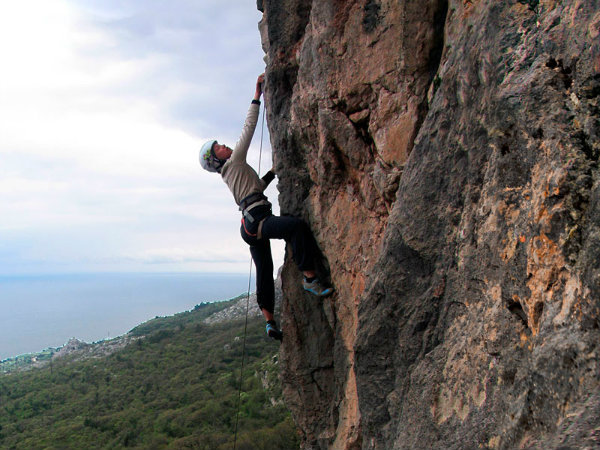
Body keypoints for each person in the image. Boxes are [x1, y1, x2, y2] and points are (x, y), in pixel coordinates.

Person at [199, 73, 334, 341]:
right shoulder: (234, 163)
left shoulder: (232, 173)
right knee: (295, 228)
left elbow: (255, 188)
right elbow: (248, 129)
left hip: (250, 225)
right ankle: (310, 279)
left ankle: (270, 322)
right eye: (219, 148)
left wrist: (273, 172)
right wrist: (256, 96)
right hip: (258, 221)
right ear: (216, 159)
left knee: (264, 269)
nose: (225, 146)